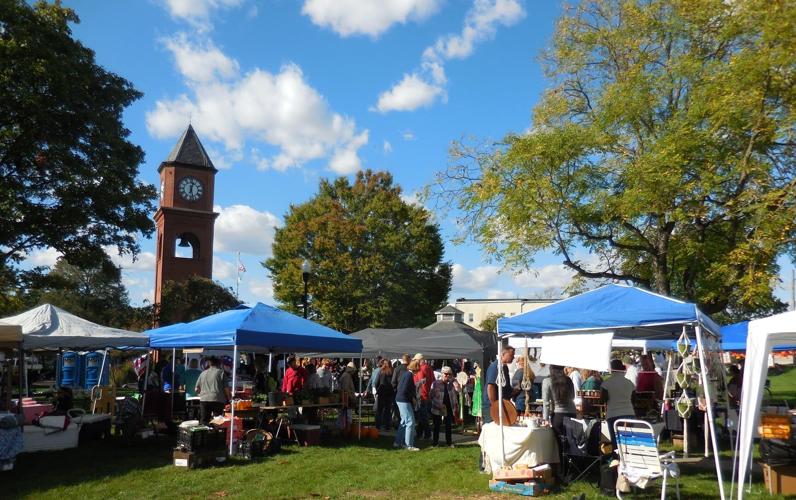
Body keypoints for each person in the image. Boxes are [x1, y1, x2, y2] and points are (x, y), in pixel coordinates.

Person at [602, 358, 636, 449]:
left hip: (613, 414)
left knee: (616, 442)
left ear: (611, 369)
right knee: (628, 442)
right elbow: (634, 399)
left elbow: (603, 400)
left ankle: (617, 460)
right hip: (629, 413)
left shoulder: (606, 383)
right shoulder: (629, 383)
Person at [483, 345, 515, 424]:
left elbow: (505, 387)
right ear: (503, 355)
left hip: (501, 404)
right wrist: (495, 405)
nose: (513, 357)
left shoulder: (504, 368)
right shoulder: (495, 367)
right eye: (511, 355)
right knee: (493, 429)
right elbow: (490, 387)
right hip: (491, 405)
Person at [541, 365, 577, 436]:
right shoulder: (568, 380)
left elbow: (546, 402)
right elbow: (573, 396)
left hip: (558, 415)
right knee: (570, 440)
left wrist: (545, 419)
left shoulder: (547, 381)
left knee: (559, 442)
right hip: (572, 413)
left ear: (551, 369)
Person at [430, 366, 460, 447]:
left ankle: (449, 443)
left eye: (449, 374)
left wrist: (457, 385)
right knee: (437, 425)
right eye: (446, 374)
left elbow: (458, 392)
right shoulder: (436, 383)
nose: (448, 376)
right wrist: (439, 405)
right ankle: (435, 443)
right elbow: (431, 396)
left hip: (449, 407)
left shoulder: (452, 383)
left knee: (448, 425)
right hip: (438, 407)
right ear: (442, 374)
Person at [394, 360, 420, 451]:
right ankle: (408, 445)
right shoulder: (409, 375)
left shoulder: (406, 374)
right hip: (404, 400)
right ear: (415, 368)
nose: (418, 371)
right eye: (418, 368)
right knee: (410, 421)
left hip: (400, 399)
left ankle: (398, 442)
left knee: (404, 421)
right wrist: (412, 399)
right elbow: (405, 389)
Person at [195, 357, 230, 424]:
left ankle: (204, 433)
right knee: (217, 421)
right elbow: (226, 389)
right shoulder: (221, 373)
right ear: (218, 364)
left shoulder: (203, 373)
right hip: (218, 399)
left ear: (209, 364)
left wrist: (203, 393)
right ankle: (216, 433)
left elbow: (196, 389)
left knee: (204, 420)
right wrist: (229, 398)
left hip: (204, 399)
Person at [412, 353, 435, 440]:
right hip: (427, 394)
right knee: (423, 415)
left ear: (419, 360)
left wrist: (423, 394)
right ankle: (419, 433)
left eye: (415, 360)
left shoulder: (421, 369)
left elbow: (422, 384)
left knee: (423, 416)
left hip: (422, 395)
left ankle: (427, 434)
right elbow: (432, 380)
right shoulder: (428, 367)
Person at [375, 359, 394, 430]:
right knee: (387, 410)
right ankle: (387, 426)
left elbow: (376, 383)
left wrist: (378, 390)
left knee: (379, 410)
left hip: (381, 392)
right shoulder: (392, 371)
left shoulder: (380, 371)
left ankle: (378, 426)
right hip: (389, 393)